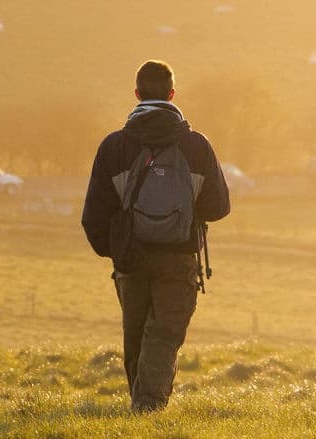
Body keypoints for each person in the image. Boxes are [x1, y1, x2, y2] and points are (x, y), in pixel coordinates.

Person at [82, 60, 230, 411]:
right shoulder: (196, 146)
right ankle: (148, 408)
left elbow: (94, 215)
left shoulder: (114, 146)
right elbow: (219, 206)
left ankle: (143, 408)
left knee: (136, 335)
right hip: (179, 258)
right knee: (164, 334)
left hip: (131, 258)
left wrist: (114, 249)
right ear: (172, 94)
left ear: (137, 94)